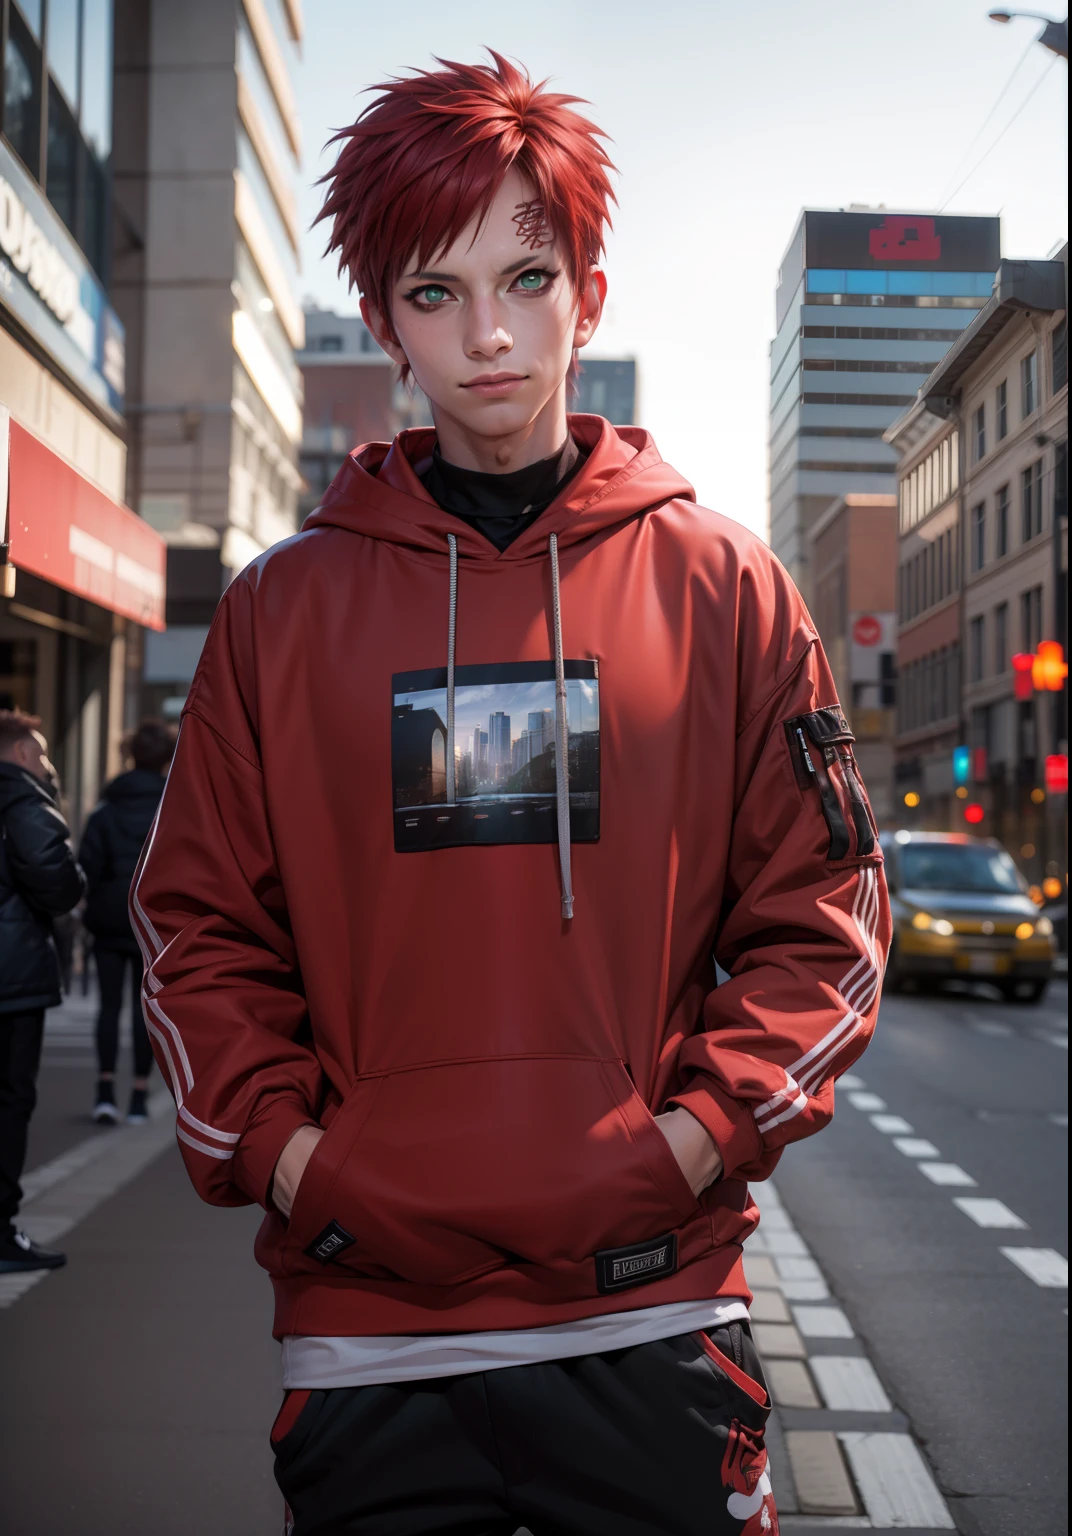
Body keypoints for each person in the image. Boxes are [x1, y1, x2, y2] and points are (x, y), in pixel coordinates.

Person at [132, 55, 890, 1535]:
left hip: (649, 1311)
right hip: (367, 1324)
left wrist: (686, 1140)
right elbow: (194, 927)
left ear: (587, 296)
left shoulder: (727, 586)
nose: (489, 334)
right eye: (434, 293)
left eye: (527, 277)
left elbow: (832, 917)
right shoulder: (278, 612)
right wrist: (298, 1162)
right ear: (381, 325)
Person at [0, 710, 85, 1274]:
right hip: (11, 978)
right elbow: (55, 879)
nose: (50, 766)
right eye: (46, 754)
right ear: (24, 754)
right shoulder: (24, 801)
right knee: (9, 1102)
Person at [80, 720, 175, 1125]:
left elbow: (87, 866)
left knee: (108, 1005)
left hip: (106, 919)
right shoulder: (172, 806)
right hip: (151, 923)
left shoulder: (106, 807)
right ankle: (138, 1095)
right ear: (166, 758)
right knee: (144, 1010)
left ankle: (104, 1091)